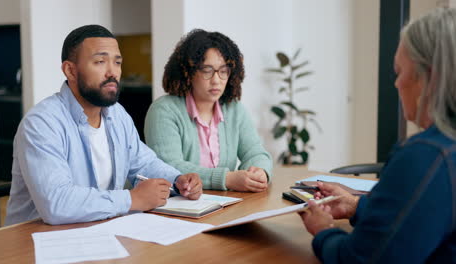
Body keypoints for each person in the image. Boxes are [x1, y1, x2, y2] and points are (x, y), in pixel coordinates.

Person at [299, 8, 456, 263]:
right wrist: (357, 206)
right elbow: (424, 218)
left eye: (399, 71)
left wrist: (323, 232)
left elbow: (360, 259)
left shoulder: (428, 155)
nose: (396, 84)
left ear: (429, 76)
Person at [5, 25, 202, 226]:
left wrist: (178, 180)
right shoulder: (42, 123)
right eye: (100, 61)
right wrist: (132, 199)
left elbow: (143, 163)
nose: (112, 72)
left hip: (98, 230)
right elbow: (56, 204)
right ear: (70, 70)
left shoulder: (117, 114)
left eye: (117, 62)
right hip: (35, 242)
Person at [144, 29, 273, 192]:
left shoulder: (234, 109)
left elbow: (256, 153)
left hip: (225, 205)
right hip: (177, 207)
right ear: (188, 72)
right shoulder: (163, 110)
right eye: (207, 71)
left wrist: (260, 172)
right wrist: (227, 179)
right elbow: (169, 167)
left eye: (223, 71)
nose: (216, 80)